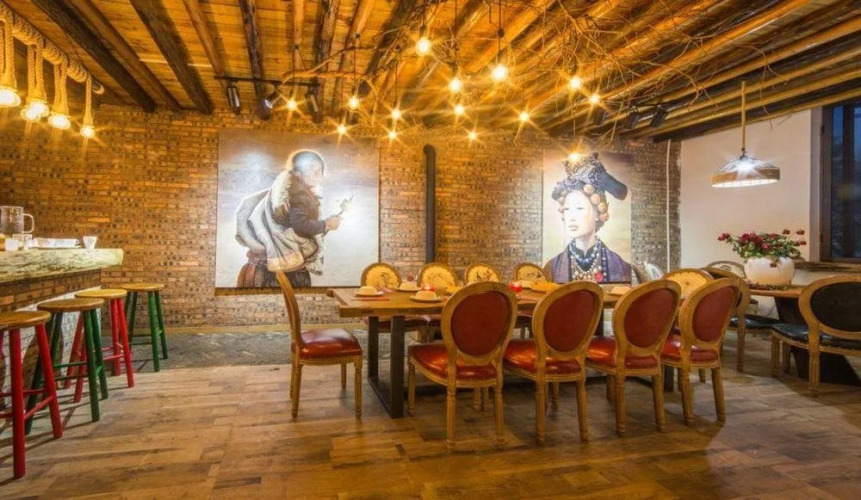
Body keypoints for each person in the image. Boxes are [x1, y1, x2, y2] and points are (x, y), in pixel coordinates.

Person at [234, 150, 341, 287]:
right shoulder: (299, 194)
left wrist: (325, 224)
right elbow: (300, 226)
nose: (317, 173)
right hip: (283, 271)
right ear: (297, 172)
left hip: (265, 267)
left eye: (319, 169)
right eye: (311, 168)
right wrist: (326, 224)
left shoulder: (289, 189)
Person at [543, 152, 632, 283]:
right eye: (567, 209)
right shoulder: (553, 267)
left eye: (579, 208)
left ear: (597, 213)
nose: (571, 217)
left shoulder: (620, 266)